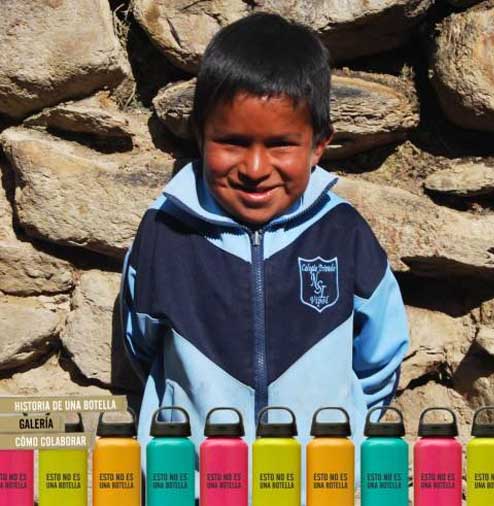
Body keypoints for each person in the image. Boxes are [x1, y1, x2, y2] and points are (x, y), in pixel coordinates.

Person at [120, 11, 409, 502]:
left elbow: (380, 357)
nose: (255, 168)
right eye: (233, 143)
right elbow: (141, 345)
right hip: (195, 490)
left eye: (280, 145)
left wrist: (347, 439)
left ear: (318, 146)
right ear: (200, 136)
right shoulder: (165, 233)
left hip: (320, 489)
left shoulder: (342, 234)